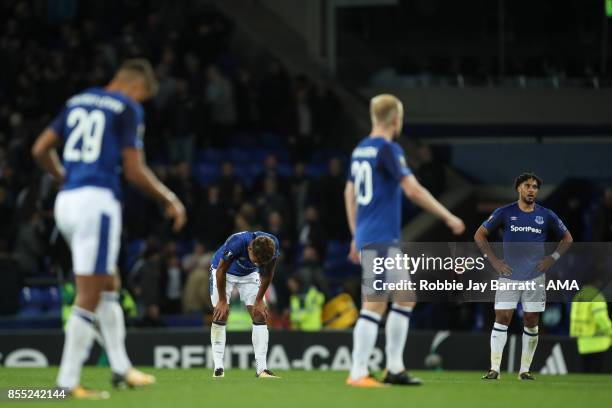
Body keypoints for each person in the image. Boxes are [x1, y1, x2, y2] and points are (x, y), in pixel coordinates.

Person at [32, 59, 187, 399]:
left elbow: (40, 149)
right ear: (136, 86)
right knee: (89, 293)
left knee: (109, 281)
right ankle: (66, 382)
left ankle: (121, 368)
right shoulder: (127, 107)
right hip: (96, 203)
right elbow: (134, 170)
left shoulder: (77, 100)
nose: (141, 102)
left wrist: (63, 177)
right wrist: (168, 197)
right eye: (143, 96)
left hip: (67, 202)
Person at [345, 94, 465, 388]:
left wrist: (354, 234)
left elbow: (349, 193)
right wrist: (447, 216)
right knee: (374, 305)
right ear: (396, 120)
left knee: (405, 297)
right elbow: (413, 190)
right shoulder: (388, 149)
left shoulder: (361, 149)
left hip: (373, 235)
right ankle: (358, 373)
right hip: (381, 237)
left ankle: (394, 369)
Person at [475, 172, 573, 380]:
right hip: (509, 275)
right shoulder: (504, 212)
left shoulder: (546, 215)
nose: (531, 190)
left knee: (531, 320)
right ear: (519, 188)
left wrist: (552, 258)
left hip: (535, 277)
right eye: (527, 186)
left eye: (535, 187)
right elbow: (479, 234)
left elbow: (567, 238)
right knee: (502, 317)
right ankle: (494, 369)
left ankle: (524, 370)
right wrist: (493, 261)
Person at [209, 231, 281, 378]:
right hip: (224, 272)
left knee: (260, 315)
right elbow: (221, 271)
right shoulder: (237, 243)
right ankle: (218, 368)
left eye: (261, 263)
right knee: (221, 313)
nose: (258, 264)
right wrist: (222, 301)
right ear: (249, 249)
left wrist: (259, 300)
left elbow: (268, 273)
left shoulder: (273, 246)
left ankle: (262, 370)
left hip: (249, 275)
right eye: (256, 261)